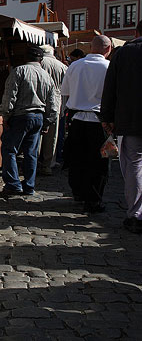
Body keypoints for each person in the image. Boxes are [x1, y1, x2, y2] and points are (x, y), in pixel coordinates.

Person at [0, 44, 58, 196]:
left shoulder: (19, 71)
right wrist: (48, 121)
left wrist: (5, 115)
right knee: (31, 153)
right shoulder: (46, 76)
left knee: (9, 149)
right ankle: (29, 185)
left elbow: (10, 95)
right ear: (41, 59)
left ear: (26, 57)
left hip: (21, 116)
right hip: (38, 116)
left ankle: (13, 184)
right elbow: (53, 102)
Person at [62, 35, 112, 213]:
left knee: (77, 158)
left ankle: (79, 192)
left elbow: (65, 91)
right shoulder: (108, 67)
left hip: (77, 120)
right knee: (98, 162)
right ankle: (93, 199)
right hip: (99, 122)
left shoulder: (75, 65)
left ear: (91, 47)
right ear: (108, 49)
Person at [101, 21, 142, 233]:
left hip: (131, 120)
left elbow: (110, 87)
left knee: (134, 165)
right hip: (130, 120)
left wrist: (107, 117)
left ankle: (135, 214)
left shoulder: (124, 53)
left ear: (136, 32)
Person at [38, 45, 67, 176]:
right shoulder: (61, 65)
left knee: (38, 134)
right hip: (56, 101)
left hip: (40, 100)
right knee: (52, 135)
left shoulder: (40, 63)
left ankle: (36, 162)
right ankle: (48, 164)